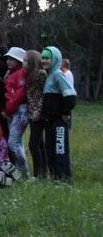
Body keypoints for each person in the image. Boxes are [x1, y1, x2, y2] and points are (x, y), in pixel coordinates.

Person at [41, 46, 76, 182]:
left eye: (47, 58)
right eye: (42, 58)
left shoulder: (58, 74)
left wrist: (65, 113)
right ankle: (55, 178)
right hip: (49, 121)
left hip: (58, 121)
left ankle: (65, 180)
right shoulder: (49, 75)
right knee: (50, 150)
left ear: (54, 59)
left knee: (60, 150)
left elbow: (70, 95)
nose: (44, 60)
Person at [3, 47, 28, 177]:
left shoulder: (22, 73)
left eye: (12, 59)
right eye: (8, 58)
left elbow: (20, 93)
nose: (9, 61)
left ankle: (23, 172)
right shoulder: (10, 73)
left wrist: (9, 108)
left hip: (20, 110)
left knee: (12, 142)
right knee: (18, 142)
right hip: (12, 111)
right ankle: (22, 172)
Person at [25, 50, 48, 178]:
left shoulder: (41, 74)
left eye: (26, 60)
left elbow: (46, 94)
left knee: (33, 144)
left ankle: (37, 174)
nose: (23, 63)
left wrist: (38, 111)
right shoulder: (29, 74)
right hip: (31, 112)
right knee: (39, 143)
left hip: (38, 114)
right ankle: (43, 173)